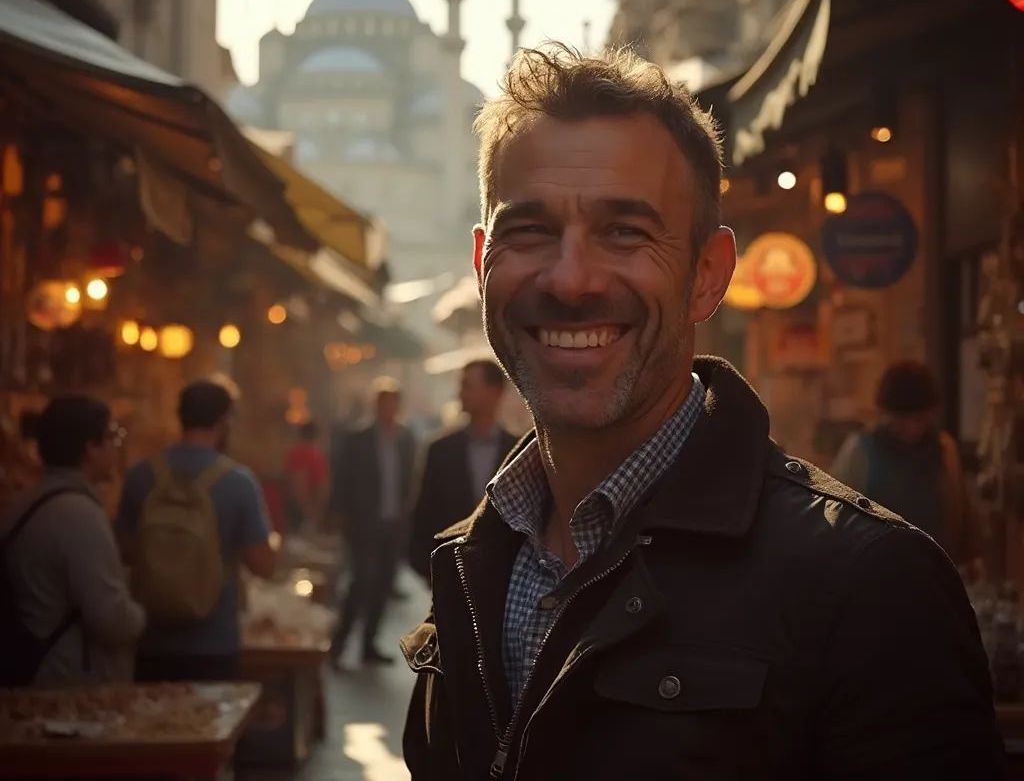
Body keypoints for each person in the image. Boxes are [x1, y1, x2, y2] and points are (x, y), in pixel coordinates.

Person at [402, 45, 1002, 779]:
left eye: (625, 231)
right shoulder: (475, 559)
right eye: (529, 230)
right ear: (482, 262)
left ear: (707, 275)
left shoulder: (867, 583)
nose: (571, 278)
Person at [117, 378, 276, 682]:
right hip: (214, 642)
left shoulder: (141, 476)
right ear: (224, 421)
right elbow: (263, 565)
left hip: (152, 639)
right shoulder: (239, 482)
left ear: (180, 417)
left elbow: (124, 551)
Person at [0, 396, 145, 685]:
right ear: (91, 448)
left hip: (41, 671)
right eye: (112, 436)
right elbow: (109, 615)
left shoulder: (26, 503)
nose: (116, 447)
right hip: (68, 683)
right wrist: (142, 616)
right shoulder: (77, 514)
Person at [831, 360, 983, 568]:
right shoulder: (859, 453)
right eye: (902, 419)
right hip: (876, 578)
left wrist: (971, 558)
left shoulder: (944, 449)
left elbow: (962, 516)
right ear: (885, 414)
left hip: (937, 575)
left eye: (920, 418)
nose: (912, 427)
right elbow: (835, 523)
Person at [330, 377, 416, 666]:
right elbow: (342, 480)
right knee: (360, 583)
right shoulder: (359, 439)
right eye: (384, 404)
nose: (389, 409)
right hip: (363, 523)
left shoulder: (405, 440)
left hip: (392, 523)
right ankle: (338, 645)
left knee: (382, 584)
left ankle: (369, 645)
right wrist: (340, 516)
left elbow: (410, 481)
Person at [409, 360, 516, 580]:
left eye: (468, 386)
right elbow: (423, 512)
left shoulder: (517, 452)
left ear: (493, 392)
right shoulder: (440, 450)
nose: (460, 393)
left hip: (502, 576)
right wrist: (427, 568)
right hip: (449, 572)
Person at [283, 420, 330, 534]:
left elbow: (300, 486)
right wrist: (313, 514)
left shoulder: (299, 453)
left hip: (303, 511)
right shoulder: (314, 454)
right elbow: (302, 487)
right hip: (304, 512)